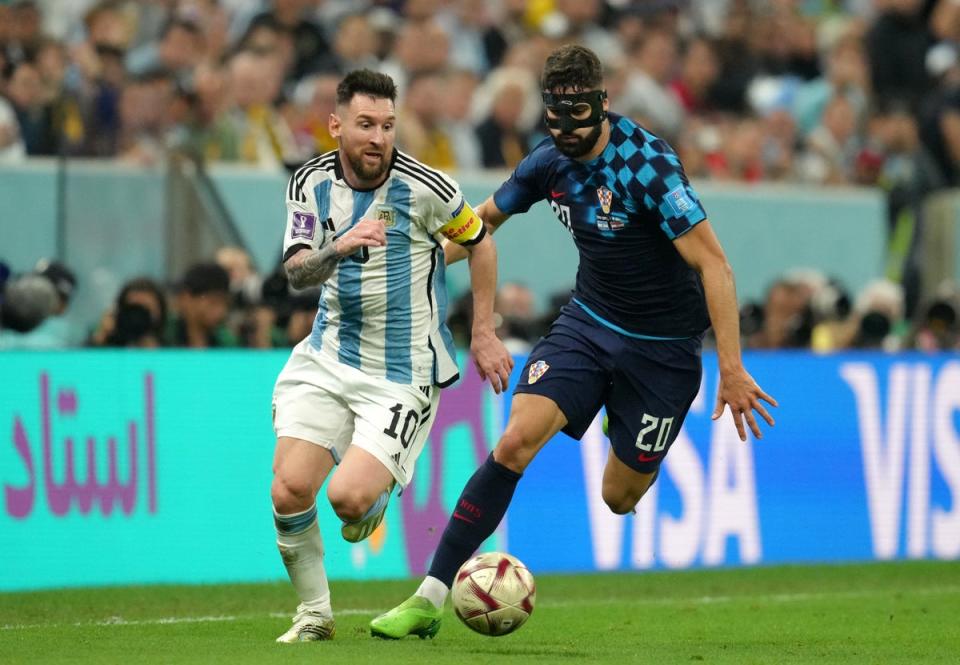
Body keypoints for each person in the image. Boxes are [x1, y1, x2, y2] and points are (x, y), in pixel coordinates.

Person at [370, 44, 778, 640]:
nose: (565, 131)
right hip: (588, 324)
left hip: (663, 350)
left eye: (578, 118)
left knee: (618, 496)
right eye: (555, 118)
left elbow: (715, 267)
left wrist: (732, 368)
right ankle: (429, 599)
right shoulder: (547, 162)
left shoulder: (650, 167)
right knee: (514, 441)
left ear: (603, 104)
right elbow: (479, 224)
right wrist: (413, 266)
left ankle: (622, 423)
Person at [270, 68, 511, 643]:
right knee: (288, 490)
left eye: (387, 125)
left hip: (401, 372)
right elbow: (297, 272)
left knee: (347, 500)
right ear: (336, 126)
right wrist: (340, 245)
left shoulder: (427, 187)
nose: (378, 137)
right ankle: (315, 616)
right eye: (365, 124)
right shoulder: (308, 182)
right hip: (328, 355)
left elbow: (480, 241)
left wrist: (482, 332)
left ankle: (370, 498)